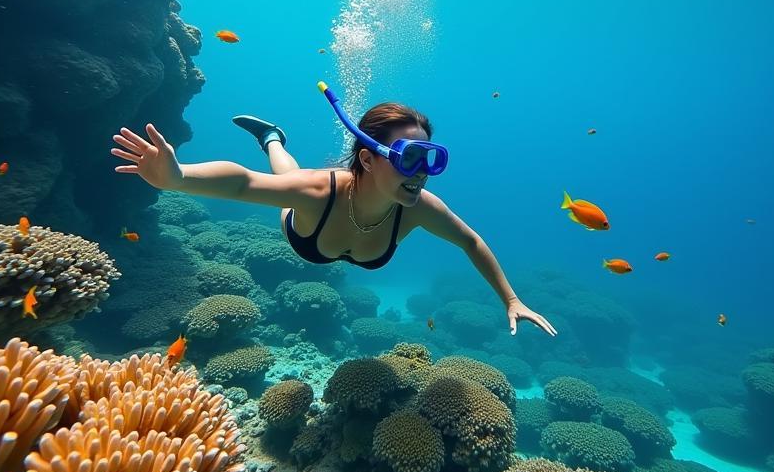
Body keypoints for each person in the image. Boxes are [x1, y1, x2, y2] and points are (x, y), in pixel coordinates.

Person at [111, 82, 557, 336]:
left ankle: (274, 138)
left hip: (329, 221)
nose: (420, 172)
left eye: (429, 160)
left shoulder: (419, 207)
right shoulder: (319, 192)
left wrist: (511, 299)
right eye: (409, 157)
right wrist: (178, 177)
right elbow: (246, 182)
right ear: (367, 156)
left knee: (293, 177)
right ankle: (271, 138)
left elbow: (470, 240)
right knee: (288, 177)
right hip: (303, 231)